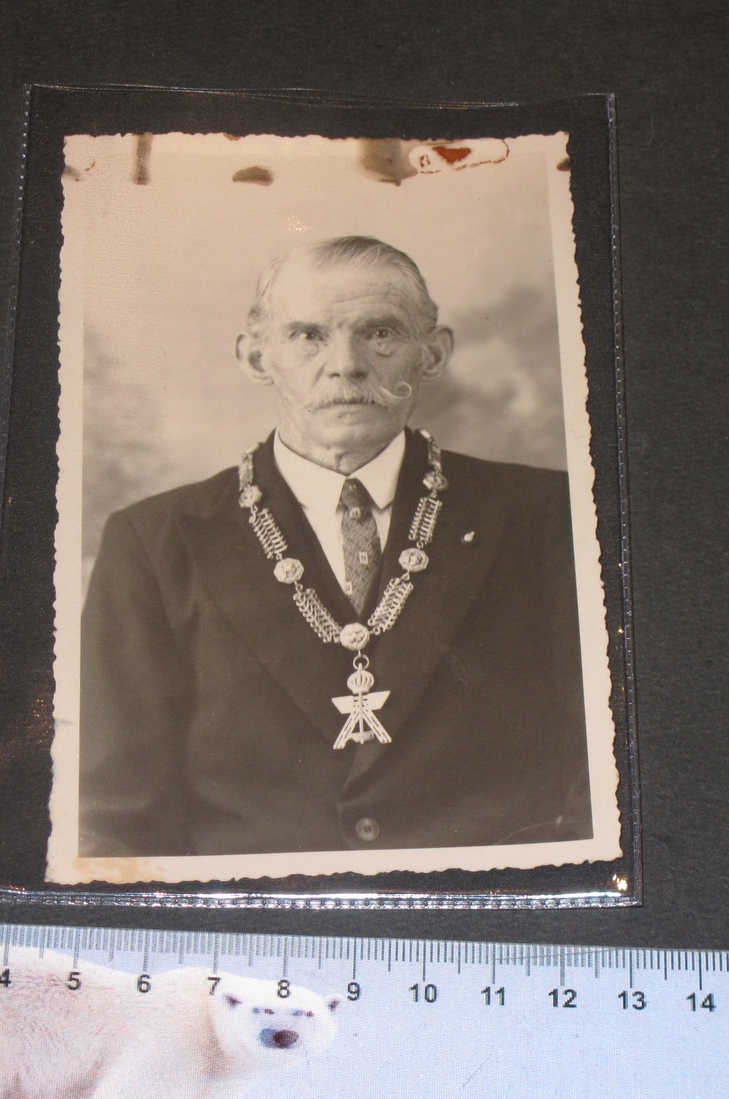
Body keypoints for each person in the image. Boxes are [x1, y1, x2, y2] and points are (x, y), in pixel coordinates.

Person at [78, 236, 591, 858]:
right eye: (307, 336)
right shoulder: (154, 542)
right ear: (255, 358)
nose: (345, 363)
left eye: (379, 333)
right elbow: (111, 820)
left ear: (432, 354)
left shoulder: (546, 516)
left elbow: (602, 774)